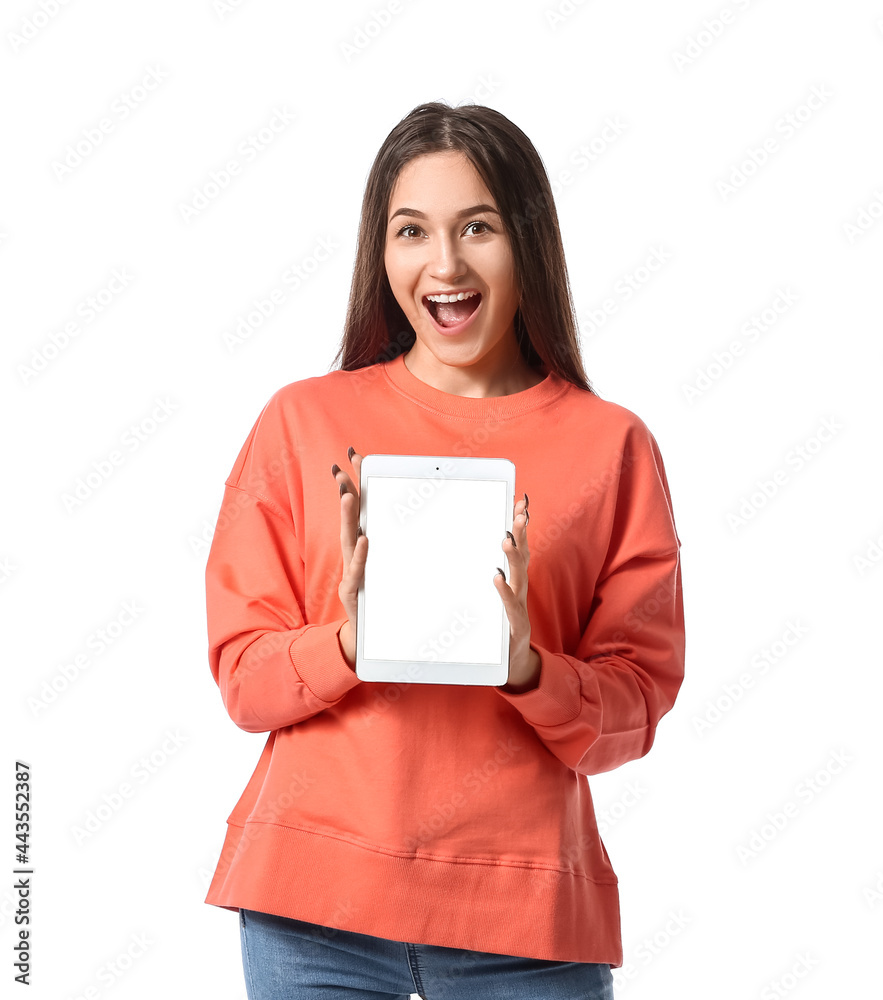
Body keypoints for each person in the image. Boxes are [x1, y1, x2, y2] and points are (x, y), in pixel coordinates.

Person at [203, 100, 685, 1000]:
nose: (445, 264)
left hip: (526, 920)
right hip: (315, 911)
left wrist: (531, 669)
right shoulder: (302, 422)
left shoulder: (612, 445)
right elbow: (241, 677)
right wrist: (346, 638)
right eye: (411, 230)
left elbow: (638, 704)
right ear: (379, 252)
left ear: (527, 243)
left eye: (478, 228)